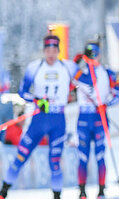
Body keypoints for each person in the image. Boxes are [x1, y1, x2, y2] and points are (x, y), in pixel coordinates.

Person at [0, 34, 77, 199]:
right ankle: (3, 191)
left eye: (54, 50)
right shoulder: (35, 67)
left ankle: (57, 196)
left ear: (58, 51)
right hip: (39, 119)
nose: (51, 54)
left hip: (58, 121)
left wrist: (83, 58)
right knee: (20, 156)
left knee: (55, 162)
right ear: (44, 50)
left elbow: (87, 80)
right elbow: (23, 92)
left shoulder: (68, 66)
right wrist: (37, 100)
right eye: (48, 50)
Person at [73, 40, 119, 199]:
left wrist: (106, 104)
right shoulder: (80, 72)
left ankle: (101, 190)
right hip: (84, 118)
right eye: (89, 53)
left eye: (95, 53)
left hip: (100, 117)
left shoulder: (107, 72)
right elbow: (69, 84)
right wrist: (76, 62)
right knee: (83, 156)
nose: (93, 56)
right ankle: (82, 190)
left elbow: (117, 95)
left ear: (100, 54)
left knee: (100, 155)